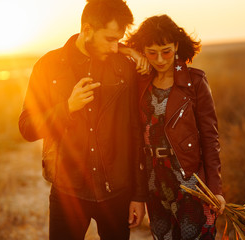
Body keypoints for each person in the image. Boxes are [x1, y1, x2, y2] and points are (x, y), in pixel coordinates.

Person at [18, 0, 148, 239]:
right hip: (68, 193)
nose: (113, 47)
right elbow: (27, 127)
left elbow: (135, 132)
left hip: (117, 192)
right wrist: (67, 108)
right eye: (109, 39)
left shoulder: (123, 66)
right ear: (87, 30)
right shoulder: (48, 66)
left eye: (118, 40)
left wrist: (138, 195)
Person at [120, 15, 226, 239]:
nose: (159, 59)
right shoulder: (139, 82)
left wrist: (215, 189)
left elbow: (210, 138)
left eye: (166, 51)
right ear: (142, 50)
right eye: (151, 52)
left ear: (177, 46)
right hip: (153, 180)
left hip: (190, 180)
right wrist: (129, 52)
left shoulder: (195, 81)